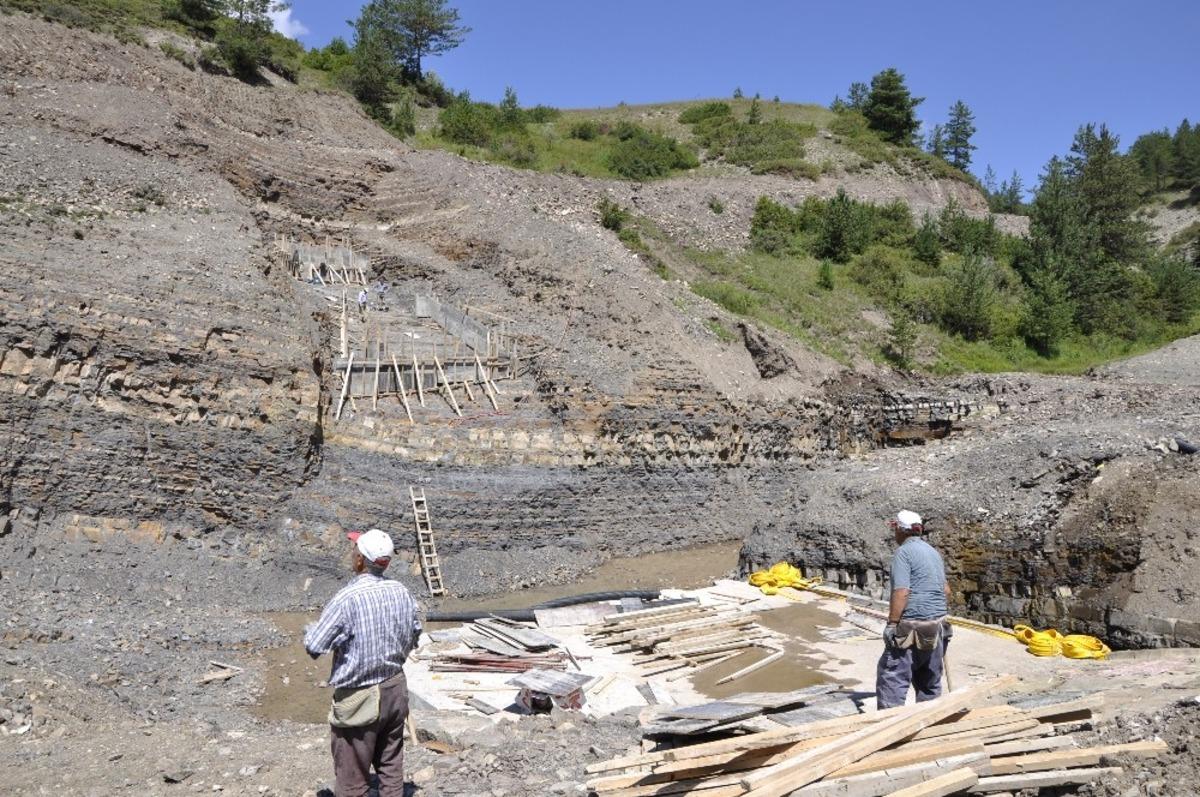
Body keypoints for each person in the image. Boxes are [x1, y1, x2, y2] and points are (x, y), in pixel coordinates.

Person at [304, 529, 421, 797]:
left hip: (359, 697)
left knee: (352, 776)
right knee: (390, 764)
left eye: (354, 550)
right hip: (395, 688)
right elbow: (415, 633)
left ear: (360, 560)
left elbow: (314, 646)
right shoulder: (401, 591)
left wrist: (310, 630)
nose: (352, 554)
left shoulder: (347, 598)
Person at [875, 510, 952, 709]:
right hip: (938, 626)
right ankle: (928, 722)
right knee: (929, 681)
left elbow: (902, 592)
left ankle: (889, 729)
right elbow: (946, 590)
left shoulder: (903, 553)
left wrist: (892, 624)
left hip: (912, 627)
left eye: (895, 529)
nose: (894, 534)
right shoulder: (933, 552)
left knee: (892, 678)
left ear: (901, 530)